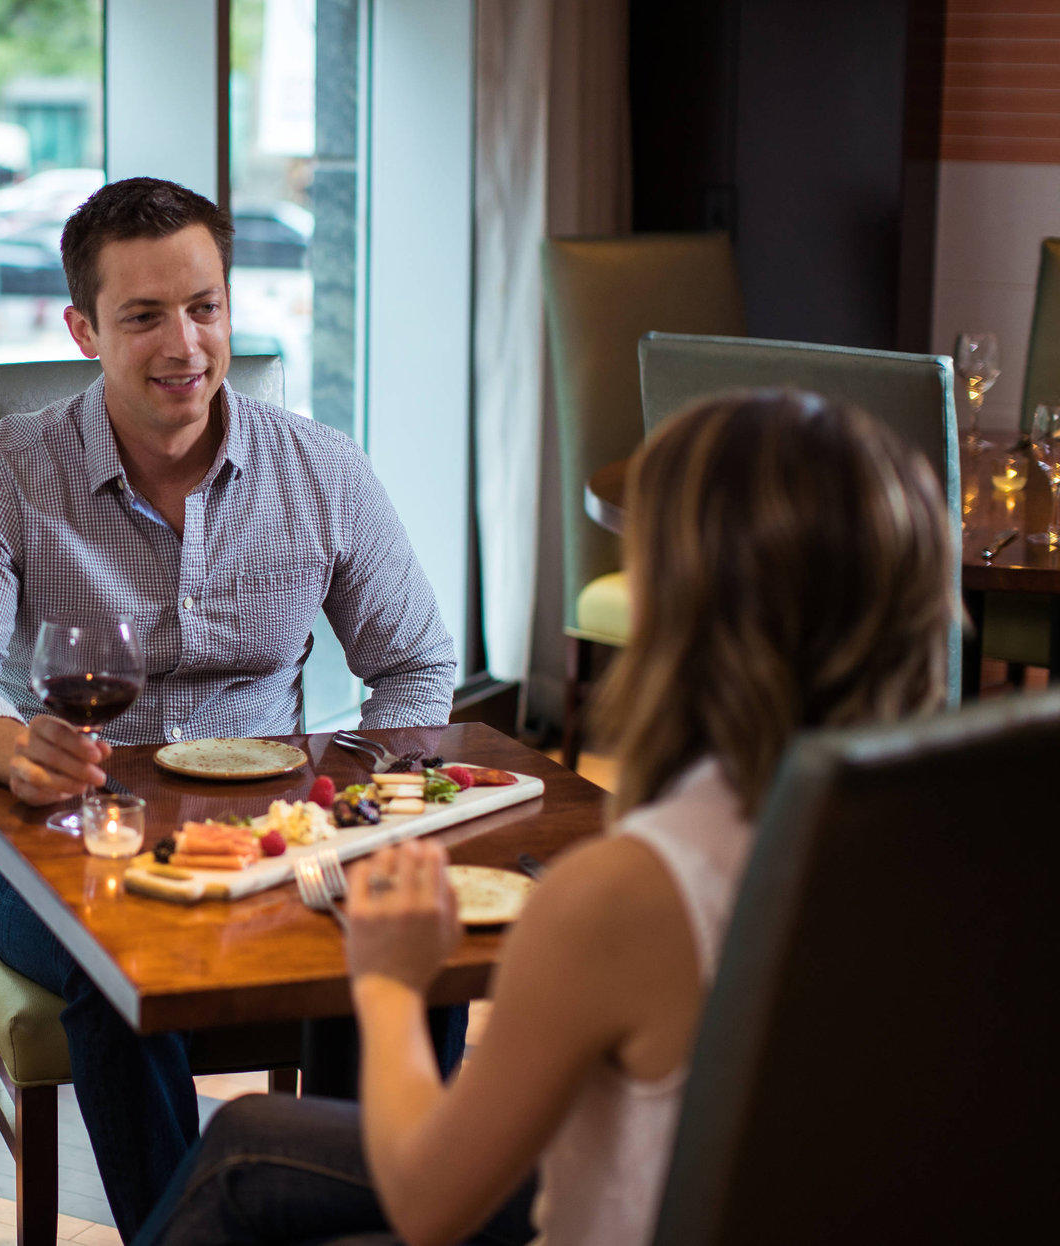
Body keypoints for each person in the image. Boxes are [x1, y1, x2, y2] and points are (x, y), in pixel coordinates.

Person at [133, 388, 959, 1246]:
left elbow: (425, 1202)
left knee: (243, 1175)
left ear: (690, 613)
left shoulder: (629, 892)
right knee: (247, 1141)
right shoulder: (955, 849)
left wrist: (388, 982)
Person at [0, 176, 458, 1238]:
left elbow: (417, 664)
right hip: (68, 855)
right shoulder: (1, 476)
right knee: (119, 959)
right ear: (83, 329)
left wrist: (365, 794)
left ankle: (372, 1217)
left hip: (279, 844)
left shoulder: (320, 469)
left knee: (415, 936)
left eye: (203, 306)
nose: (182, 343)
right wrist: (17, 750)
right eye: (142, 316)